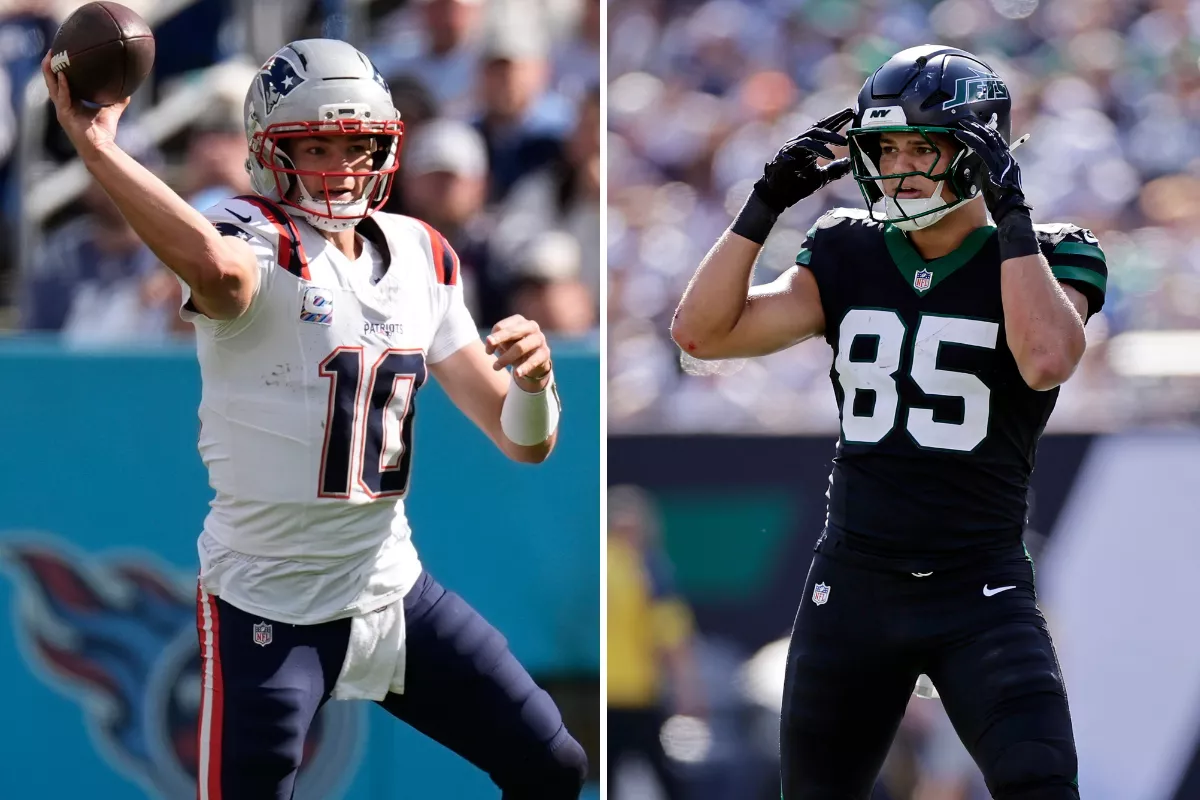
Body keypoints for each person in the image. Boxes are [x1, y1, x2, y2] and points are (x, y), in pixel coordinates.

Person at [41, 38, 585, 800]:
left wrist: (533, 384)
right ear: (271, 154)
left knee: (554, 765)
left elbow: (522, 441)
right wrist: (100, 150)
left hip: (393, 590)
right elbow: (215, 268)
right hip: (267, 606)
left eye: (357, 144)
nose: (341, 166)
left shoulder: (421, 252)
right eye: (316, 145)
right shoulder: (254, 237)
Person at [670, 45, 1106, 800]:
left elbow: (1044, 359)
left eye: (923, 147)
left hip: (981, 588)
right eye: (886, 147)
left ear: (977, 152)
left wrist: (1011, 215)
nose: (899, 166)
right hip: (855, 584)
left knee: (1041, 784)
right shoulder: (848, 247)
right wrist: (762, 204)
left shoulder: (1054, 251)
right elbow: (702, 334)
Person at [607, 485, 705, 800]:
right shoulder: (649, 568)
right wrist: (688, 691)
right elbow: (673, 641)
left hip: (614, 695)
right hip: (635, 696)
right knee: (669, 784)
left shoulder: (599, 563)